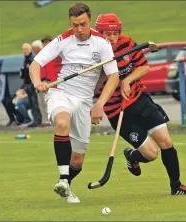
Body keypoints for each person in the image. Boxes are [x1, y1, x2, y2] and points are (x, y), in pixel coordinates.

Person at [95, 13, 186, 195]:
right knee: (151, 154)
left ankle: (176, 186)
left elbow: (143, 66)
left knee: (166, 142)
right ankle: (132, 156)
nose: (111, 38)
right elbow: (94, 87)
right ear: (98, 34)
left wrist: (127, 80)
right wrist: (107, 76)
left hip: (139, 99)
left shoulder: (127, 43)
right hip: (117, 111)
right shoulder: (93, 55)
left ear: (119, 32)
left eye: (114, 33)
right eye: (106, 34)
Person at [29, 3, 119, 203]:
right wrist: (37, 82)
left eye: (83, 24)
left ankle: (66, 186)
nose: (79, 29)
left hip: (85, 102)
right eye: (75, 24)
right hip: (61, 93)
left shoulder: (102, 43)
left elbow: (113, 76)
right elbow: (36, 63)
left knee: (77, 161)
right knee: (62, 122)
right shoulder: (63, 39)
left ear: (89, 21)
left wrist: (99, 104)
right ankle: (63, 179)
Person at [21, 42, 42, 127]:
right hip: (28, 84)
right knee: (31, 103)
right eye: (24, 49)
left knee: (35, 102)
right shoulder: (25, 59)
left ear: (30, 49)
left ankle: (38, 120)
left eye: (26, 49)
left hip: (33, 83)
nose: (25, 51)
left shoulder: (32, 58)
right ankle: (34, 120)